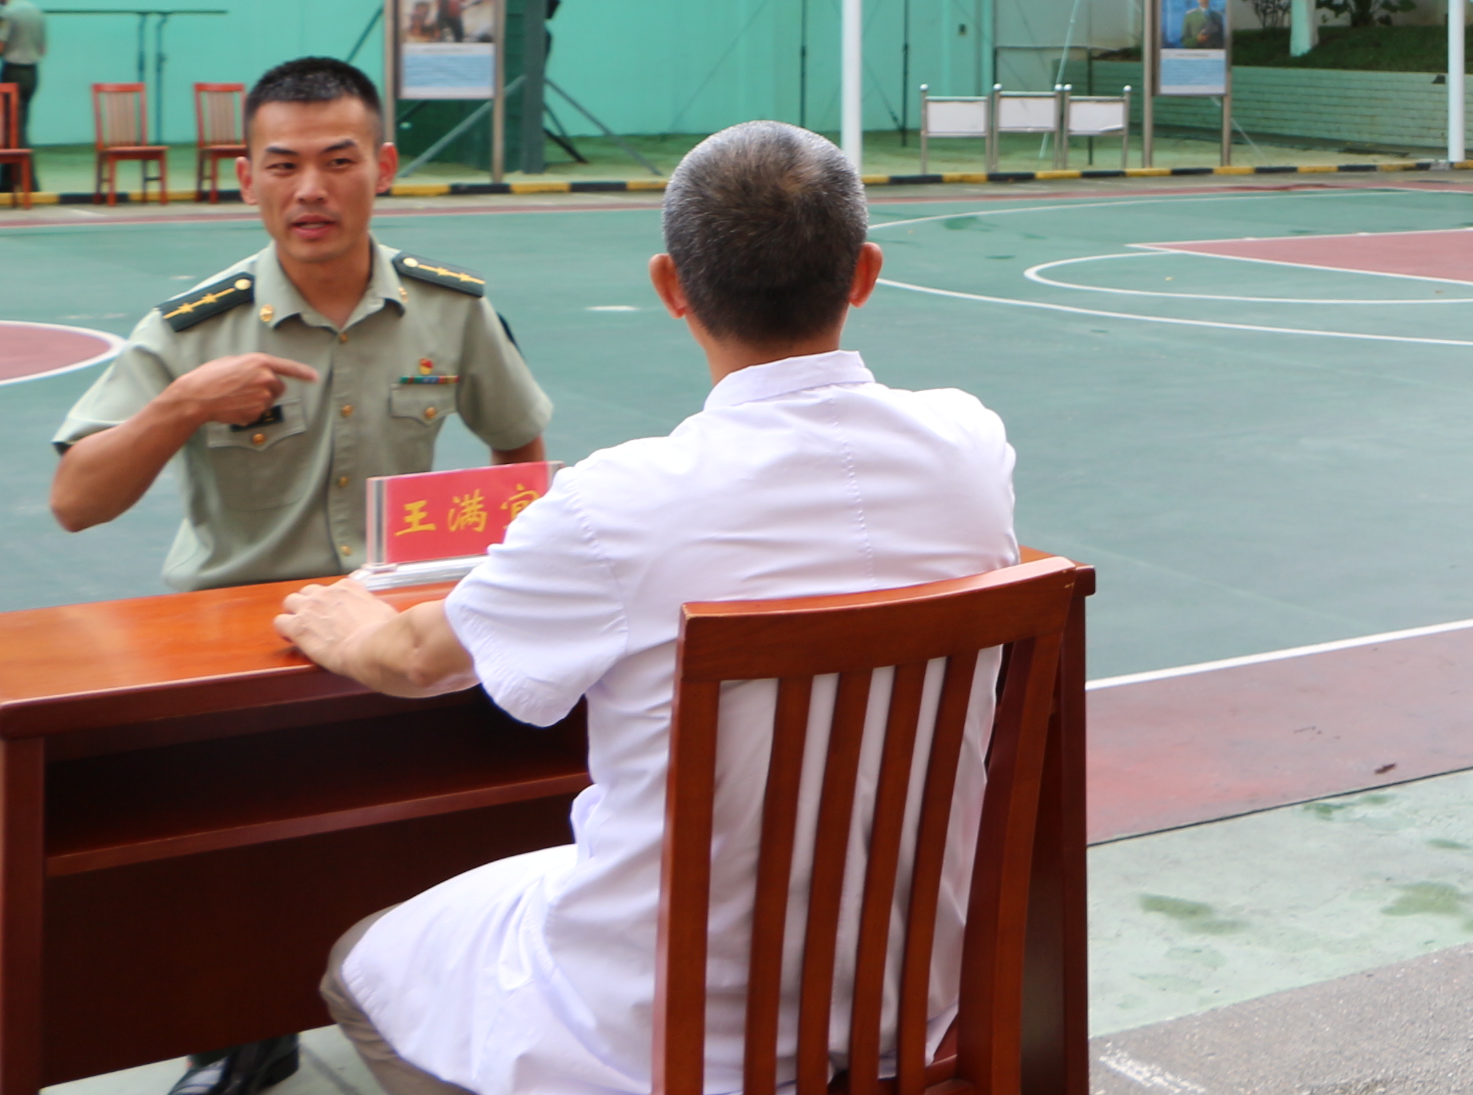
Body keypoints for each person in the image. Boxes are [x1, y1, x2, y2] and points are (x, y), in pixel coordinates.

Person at [277, 120, 1019, 1095]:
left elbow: (420, 660)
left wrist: (350, 627)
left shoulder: (615, 504)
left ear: (672, 286)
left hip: (668, 1033)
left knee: (367, 961)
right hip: (907, 1009)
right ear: (863, 272)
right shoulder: (971, 449)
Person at [46, 57, 552, 1095]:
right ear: (246, 178)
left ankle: (443, 1005)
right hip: (230, 636)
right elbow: (77, 499)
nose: (311, 190)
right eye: (283, 165)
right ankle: (236, 1030)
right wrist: (181, 406)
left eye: (338, 161)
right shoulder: (195, 326)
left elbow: (523, 454)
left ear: (385, 168)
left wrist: (487, 572)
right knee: (200, 849)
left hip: (391, 629)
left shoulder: (450, 310)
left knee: (463, 810)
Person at [0, 0, 43, 133]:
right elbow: (42, 49)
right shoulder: (36, 11)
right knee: (22, 122)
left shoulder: (6, 13)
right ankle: (25, 157)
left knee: (10, 123)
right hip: (32, 74)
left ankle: (13, 158)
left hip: (13, 72)